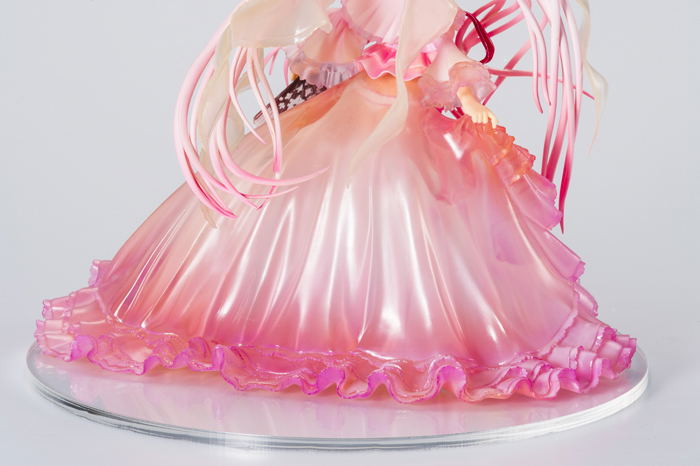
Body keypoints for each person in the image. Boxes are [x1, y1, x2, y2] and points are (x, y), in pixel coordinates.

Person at [35, 0, 636, 403]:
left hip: (405, 128)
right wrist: (293, 98)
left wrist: (470, 104)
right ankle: (281, 322)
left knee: (410, 215)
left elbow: (444, 66)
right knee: (301, 206)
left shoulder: (426, 20)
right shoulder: (356, 17)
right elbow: (325, 63)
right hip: (342, 117)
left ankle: (421, 334)